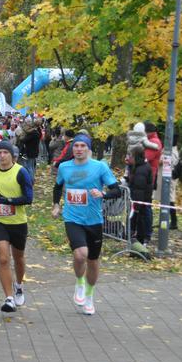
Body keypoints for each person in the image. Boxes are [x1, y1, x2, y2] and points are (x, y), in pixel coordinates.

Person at [51, 135, 120, 315]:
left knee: (93, 260)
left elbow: (116, 189)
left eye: (82, 146)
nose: (79, 149)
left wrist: (103, 194)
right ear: (72, 148)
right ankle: (79, 282)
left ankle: (89, 295)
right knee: (81, 255)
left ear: (88, 149)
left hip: (94, 220)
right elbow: (57, 187)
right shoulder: (65, 167)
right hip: (72, 218)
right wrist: (56, 205)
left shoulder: (99, 167)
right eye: (76, 146)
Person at [0, 140, 33, 313]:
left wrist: (8, 201)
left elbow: (28, 198)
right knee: (3, 258)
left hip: (18, 222)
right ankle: (8, 298)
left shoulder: (21, 172)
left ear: (12, 155)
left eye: (5, 153)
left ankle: (19, 285)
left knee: (18, 258)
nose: (1, 156)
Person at [125, 147, 153, 254]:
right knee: (138, 222)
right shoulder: (137, 167)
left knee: (141, 222)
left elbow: (139, 189)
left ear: (135, 157)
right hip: (138, 200)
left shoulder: (142, 169)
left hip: (141, 201)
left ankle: (141, 245)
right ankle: (137, 244)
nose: (128, 158)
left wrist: (136, 207)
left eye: (130, 156)